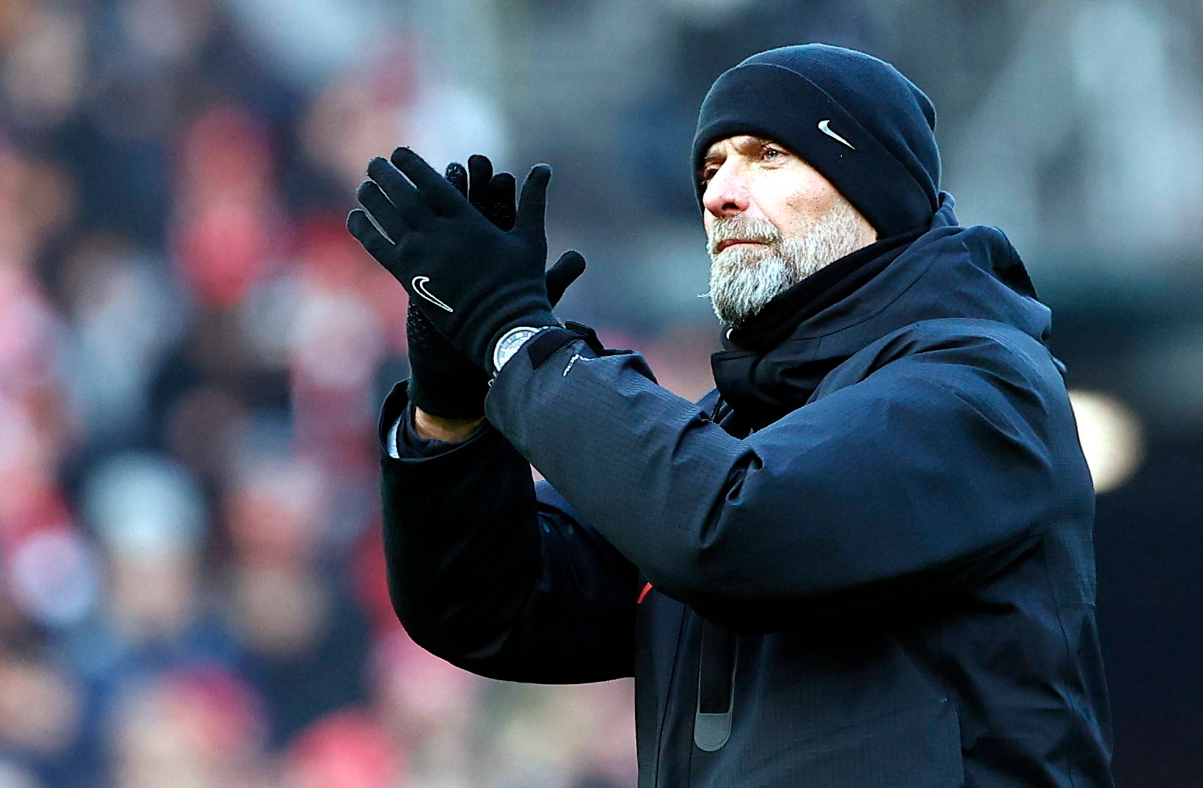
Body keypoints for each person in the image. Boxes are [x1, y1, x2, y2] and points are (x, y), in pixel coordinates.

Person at [347, 43, 1113, 788]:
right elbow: (488, 606)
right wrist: (451, 407)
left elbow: (735, 527)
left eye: (767, 155)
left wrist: (517, 340)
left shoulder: (981, 386)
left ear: (874, 187)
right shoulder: (729, 431)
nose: (719, 194)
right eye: (711, 168)